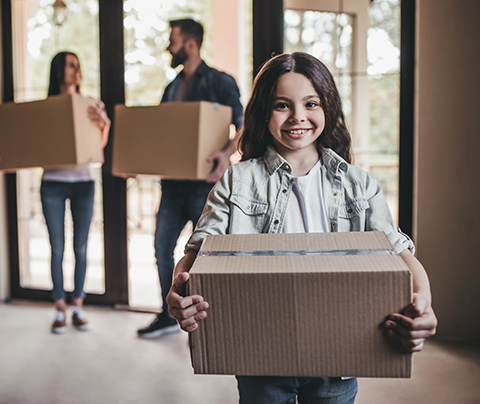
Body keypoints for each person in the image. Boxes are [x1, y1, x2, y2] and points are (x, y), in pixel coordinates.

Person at [166, 52, 438, 403]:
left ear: (328, 109)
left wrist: (425, 304)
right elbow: (199, 251)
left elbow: (399, 253)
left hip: (340, 355)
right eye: (283, 105)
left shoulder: (359, 185)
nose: (298, 116)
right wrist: (178, 291)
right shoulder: (237, 181)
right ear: (264, 111)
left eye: (311, 103)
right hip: (260, 356)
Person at [137, 18, 244, 339]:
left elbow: (244, 125)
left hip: (204, 188)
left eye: (173, 40)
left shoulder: (220, 82)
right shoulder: (171, 88)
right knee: (161, 249)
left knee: (207, 256)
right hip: (171, 187)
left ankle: (208, 318)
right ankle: (168, 312)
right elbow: (161, 134)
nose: (169, 47)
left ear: (191, 44)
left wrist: (225, 154)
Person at [0, 51, 110, 334]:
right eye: (70, 65)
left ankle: (77, 304)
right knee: (57, 248)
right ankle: (59, 307)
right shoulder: (43, 110)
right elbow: (20, 142)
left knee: (81, 247)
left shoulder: (91, 105)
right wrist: (0, 158)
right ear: (58, 71)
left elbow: (98, 150)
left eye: (78, 65)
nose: (76, 70)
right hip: (53, 183)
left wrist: (105, 125)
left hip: (84, 183)